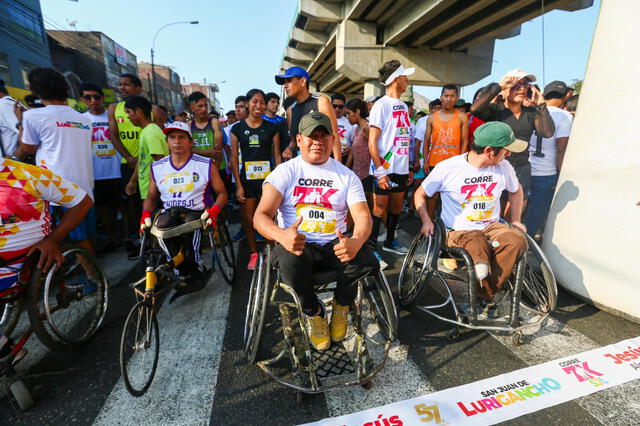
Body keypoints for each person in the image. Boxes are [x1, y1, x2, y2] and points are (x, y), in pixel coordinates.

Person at [254, 112, 377, 351]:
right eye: (312, 136)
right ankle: (315, 313)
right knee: (288, 263)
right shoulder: (285, 172)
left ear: (332, 141)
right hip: (299, 243)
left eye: (324, 136)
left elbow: (363, 216)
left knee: (365, 259)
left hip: (334, 242)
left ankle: (342, 306)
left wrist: (356, 240)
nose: (318, 142)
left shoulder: (346, 176)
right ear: (299, 140)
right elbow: (260, 217)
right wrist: (282, 236)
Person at [414, 121, 528, 309]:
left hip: (491, 225)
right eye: (506, 150)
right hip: (458, 230)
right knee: (477, 241)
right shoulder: (448, 167)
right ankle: (487, 290)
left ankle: (485, 291)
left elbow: (516, 191)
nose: (509, 154)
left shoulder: (504, 167)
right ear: (490, 151)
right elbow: (420, 194)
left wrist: (515, 220)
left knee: (517, 240)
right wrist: (426, 221)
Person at [1, 157, 93, 362]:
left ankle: (2, 348)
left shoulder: (29, 174)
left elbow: (83, 202)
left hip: (17, 265)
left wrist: (53, 239)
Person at [13, 67, 95, 254]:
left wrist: (20, 124)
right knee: (82, 236)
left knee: (72, 238)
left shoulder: (32, 116)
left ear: (34, 90)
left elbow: (28, 148)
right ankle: (89, 277)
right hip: (85, 186)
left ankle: (92, 280)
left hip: (56, 189)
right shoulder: (83, 119)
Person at [141, 122, 227, 298]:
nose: (176, 141)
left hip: (196, 212)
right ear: (167, 142)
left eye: (181, 137)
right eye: (172, 137)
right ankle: (177, 266)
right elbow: (150, 197)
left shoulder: (205, 164)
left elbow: (222, 193)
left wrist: (214, 210)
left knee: (190, 224)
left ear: (191, 142)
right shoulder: (157, 167)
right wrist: (145, 215)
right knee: (161, 225)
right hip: (170, 212)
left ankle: (196, 265)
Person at [470, 68, 555, 219]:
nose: (521, 88)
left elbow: (547, 132)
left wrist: (541, 105)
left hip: (522, 168)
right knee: (493, 214)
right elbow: (475, 109)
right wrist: (499, 87)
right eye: (516, 85)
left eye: (526, 84)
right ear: (506, 88)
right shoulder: (496, 110)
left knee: (515, 215)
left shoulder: (531, 113)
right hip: (496, 167)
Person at [367, 60, 415, 260]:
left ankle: (389, 242)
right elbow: (372, 142)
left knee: (396, 208)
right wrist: (380, 173)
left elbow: (405, 138)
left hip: (401, 167)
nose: (407, 81)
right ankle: (371, 249)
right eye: (405, 77)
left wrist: (410, 166)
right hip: (384, 169)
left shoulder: (403, 106)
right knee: (379, 209)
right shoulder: (381, 105)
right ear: (396, 79)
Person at [230, 89, 282, 270]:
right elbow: (234, 160)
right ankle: (253, 253)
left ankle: (272, 251)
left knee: (269, 218)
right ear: (248, 103)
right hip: (247, 181)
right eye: (255, 102)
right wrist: (238, 186)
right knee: (249, 218)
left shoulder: (271, 128)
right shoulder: (237, 129)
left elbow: (277, 157)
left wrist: (280, 182)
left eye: (262, 102)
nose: (259, 106)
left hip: (268, 182)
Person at [525, 81, 573, 238]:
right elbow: (561, 149)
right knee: (535, 215)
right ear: (566, 95)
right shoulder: (564, 116)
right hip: (547, 173)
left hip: (524, 168)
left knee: (518, 211)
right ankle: (526, 247)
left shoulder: (530, 110)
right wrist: (562, 175)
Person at [80, 83, 121, 252]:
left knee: (119, 205)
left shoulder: (112, 117)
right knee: (101, 207)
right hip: (94, 173)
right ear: (82, 99)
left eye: (96, 97)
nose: (93, 101)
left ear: (102, 98)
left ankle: (122, 236)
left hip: (116, 169)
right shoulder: (81, 119)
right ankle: (110, 236)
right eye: (88, 97)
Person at [108, 73, 145, 258]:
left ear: (138, 88)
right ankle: (133, 239)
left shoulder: (150, 109)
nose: (122, 88)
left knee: (149, 201)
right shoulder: (114, 108)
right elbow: (113, 135)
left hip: (146, 164)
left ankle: (150, 238)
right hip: (126, 163)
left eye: (127, 84)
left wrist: (140, 158)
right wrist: (128, 157)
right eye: (120, 84)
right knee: (130, 204)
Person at [275, 66, 342, 161]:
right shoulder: (290, 110)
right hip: (303, 166)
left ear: (302, 81)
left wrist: (338, 165)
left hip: (323, 162)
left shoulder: (321, 102)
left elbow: (334, 135)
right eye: (284, 82)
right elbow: (294, 141)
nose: (285, 85)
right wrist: (289, 149)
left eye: (289, 80)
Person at [422, 84, 469, 219]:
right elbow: (426, 141)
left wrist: (462, 163)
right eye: (446, 96)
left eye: (452, 96)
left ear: (457, 98)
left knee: (452, 197)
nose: (448, 99)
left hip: (454, 164)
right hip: (434, 163)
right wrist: (426, 161)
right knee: (432, 197)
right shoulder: (432, 117)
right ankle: (430, 226)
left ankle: (449, 227)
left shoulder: (461, 117)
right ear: (441, 97)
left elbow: (464, 141)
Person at [124, 96, 169, 202]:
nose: (128, 117)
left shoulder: (150, 132)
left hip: (154, 191)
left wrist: (155, 189)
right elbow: (141, 159)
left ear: (139, 112)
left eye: (129, 112)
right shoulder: (146, 131)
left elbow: (160, 161)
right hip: (148, 189)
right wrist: (133, 181)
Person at [345, 98, 373, 212]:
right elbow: (353, 150)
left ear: (357, 112)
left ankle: (390, 228)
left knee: (368, 206)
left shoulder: (367, 127)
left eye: (348, 113)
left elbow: (375, 148)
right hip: (357, 173)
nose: (347, 117)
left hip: (367, 174)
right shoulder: (356, 129)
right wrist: (346, 168)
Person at [187, 91, 225, 176]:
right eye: (200, 106)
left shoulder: (214, 122)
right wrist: (207, 152)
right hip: (196, 170)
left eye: (206, 105)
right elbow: (187, 150)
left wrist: (214, 174)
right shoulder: (188, 126)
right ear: (191, 108)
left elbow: (217, 153)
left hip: (217, 168)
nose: (204, 109)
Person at [331, 93, 354, 162]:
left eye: (340, 107)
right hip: (328, 157)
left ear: (344, 107)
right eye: (334, 106)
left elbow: (355, 143)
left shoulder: (350, 122)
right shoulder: (325, 119)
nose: (337, 109)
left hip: (344, 158)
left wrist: (350, 148)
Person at [0, 79, 19, 157]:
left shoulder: (4, 105)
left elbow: (28, 137)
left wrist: (16, 158)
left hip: (7, 166)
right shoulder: (10, 103)